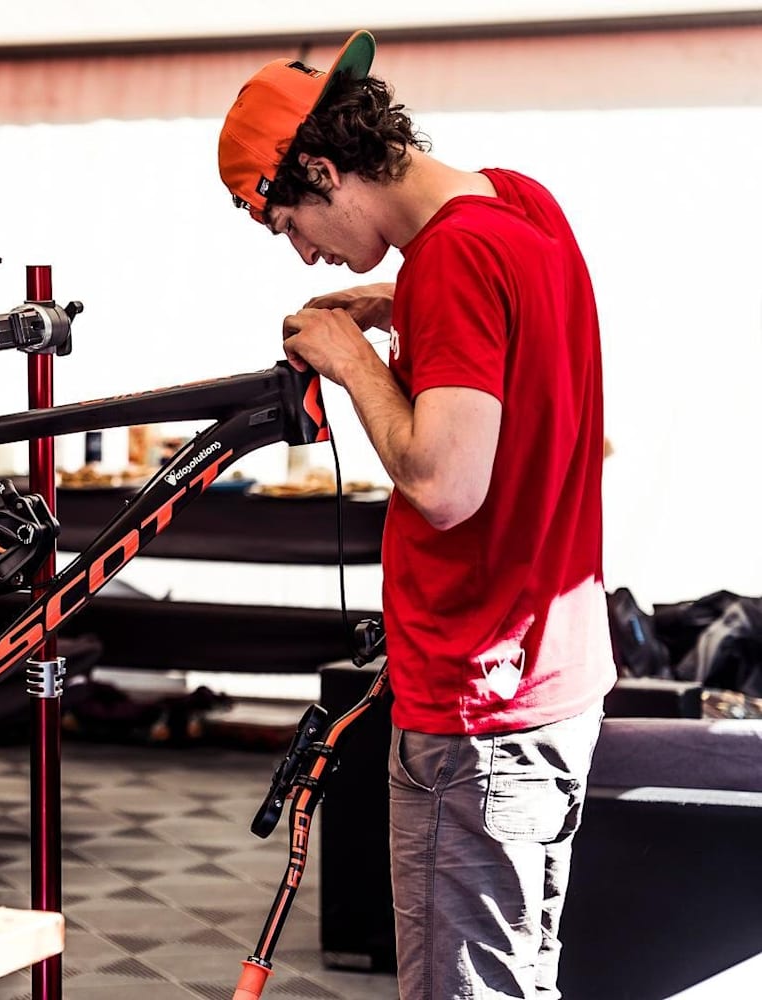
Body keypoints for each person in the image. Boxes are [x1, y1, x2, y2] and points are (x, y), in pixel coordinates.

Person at [217, 30, 616, 1000]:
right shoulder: (521, 207)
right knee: (517, 980)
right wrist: (398, 306)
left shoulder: (454, 260)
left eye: (290, 224)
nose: (304, 251)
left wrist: (349, 358)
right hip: (552, 686)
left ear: (320, 166)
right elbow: (508, 334)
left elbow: (445, 483)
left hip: (479, 713)